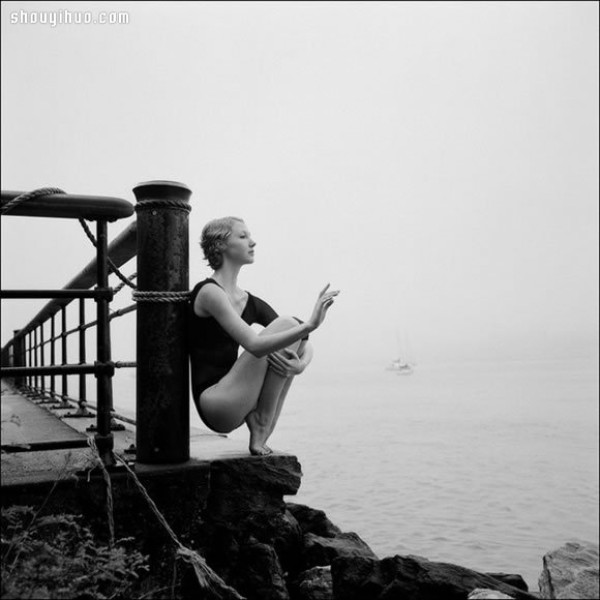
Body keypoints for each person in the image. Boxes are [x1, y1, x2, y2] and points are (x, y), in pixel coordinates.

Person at [188, 216, 339, 456]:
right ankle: (261, 420)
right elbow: (255, 345)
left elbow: (298, 340)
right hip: (216, 402)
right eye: (243, 236)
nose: (253, 242)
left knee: (290, 331)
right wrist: (309, 325)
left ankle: (261, 422)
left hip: (239, 398)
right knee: (290, 325)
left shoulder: (248, 300)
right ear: (221, 246)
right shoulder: (209, 293)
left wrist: (300, 365)